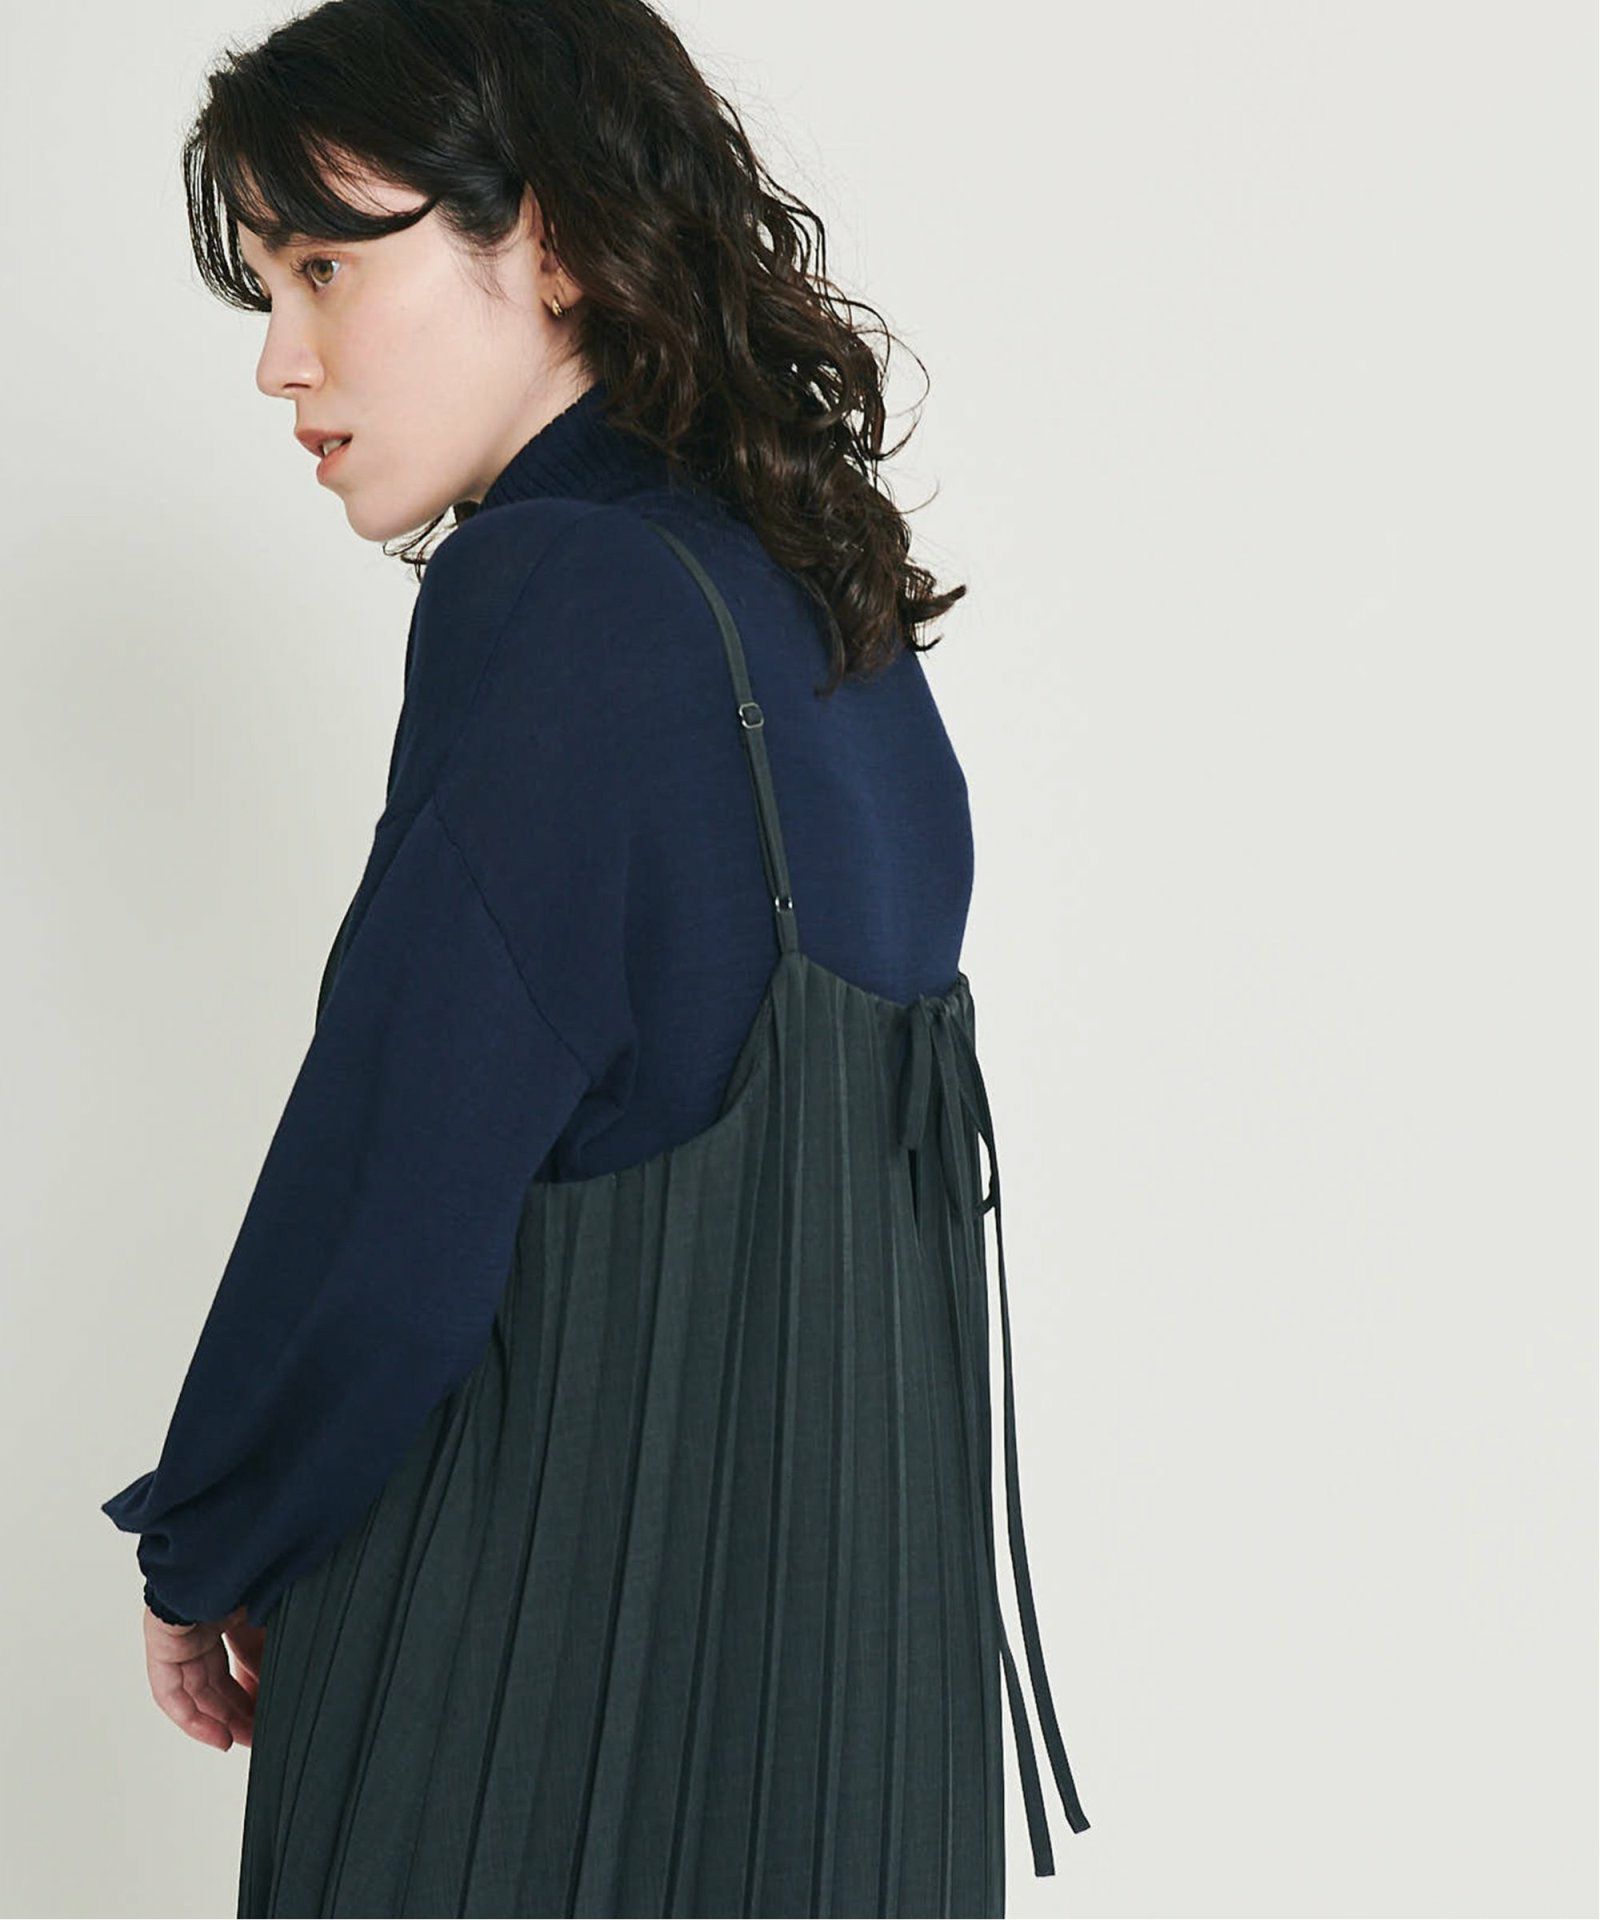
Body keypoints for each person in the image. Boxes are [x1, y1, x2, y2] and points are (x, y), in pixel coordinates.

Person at [100, 0, 1091, 1912]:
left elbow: (400, 1170)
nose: (282, 357)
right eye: (267, 289)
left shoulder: (558, 596)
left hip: (531, 1746)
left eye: (327, 267)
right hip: (858, 1755)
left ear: (544, 239)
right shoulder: (825, 607)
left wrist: (207, 1534)